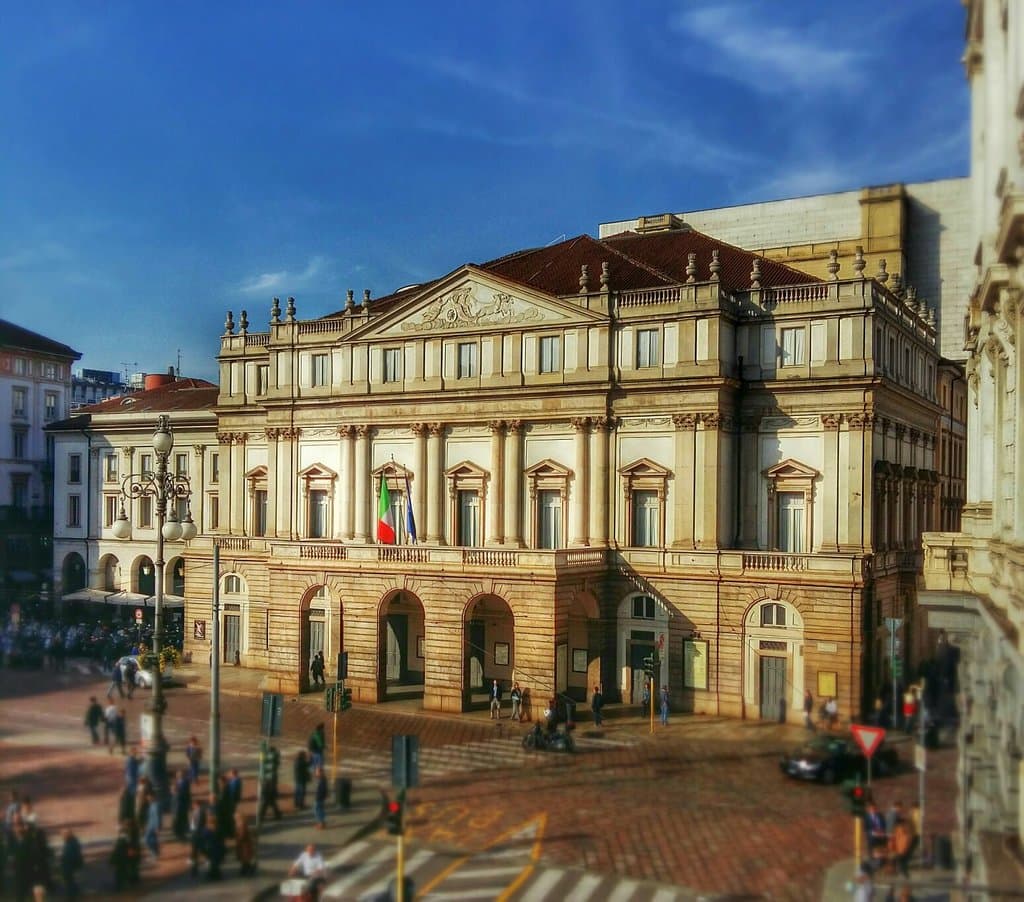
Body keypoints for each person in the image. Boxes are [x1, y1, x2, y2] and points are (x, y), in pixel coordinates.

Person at [60, 827, 84, 899]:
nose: (62, 837)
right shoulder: (73, 841)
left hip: (69, 866)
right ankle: (74, 893)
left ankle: (72, 896)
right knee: (71, 881)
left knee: (69, 882)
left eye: (63, 835)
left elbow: (70, 856)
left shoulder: (70, 844)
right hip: (71, 865)